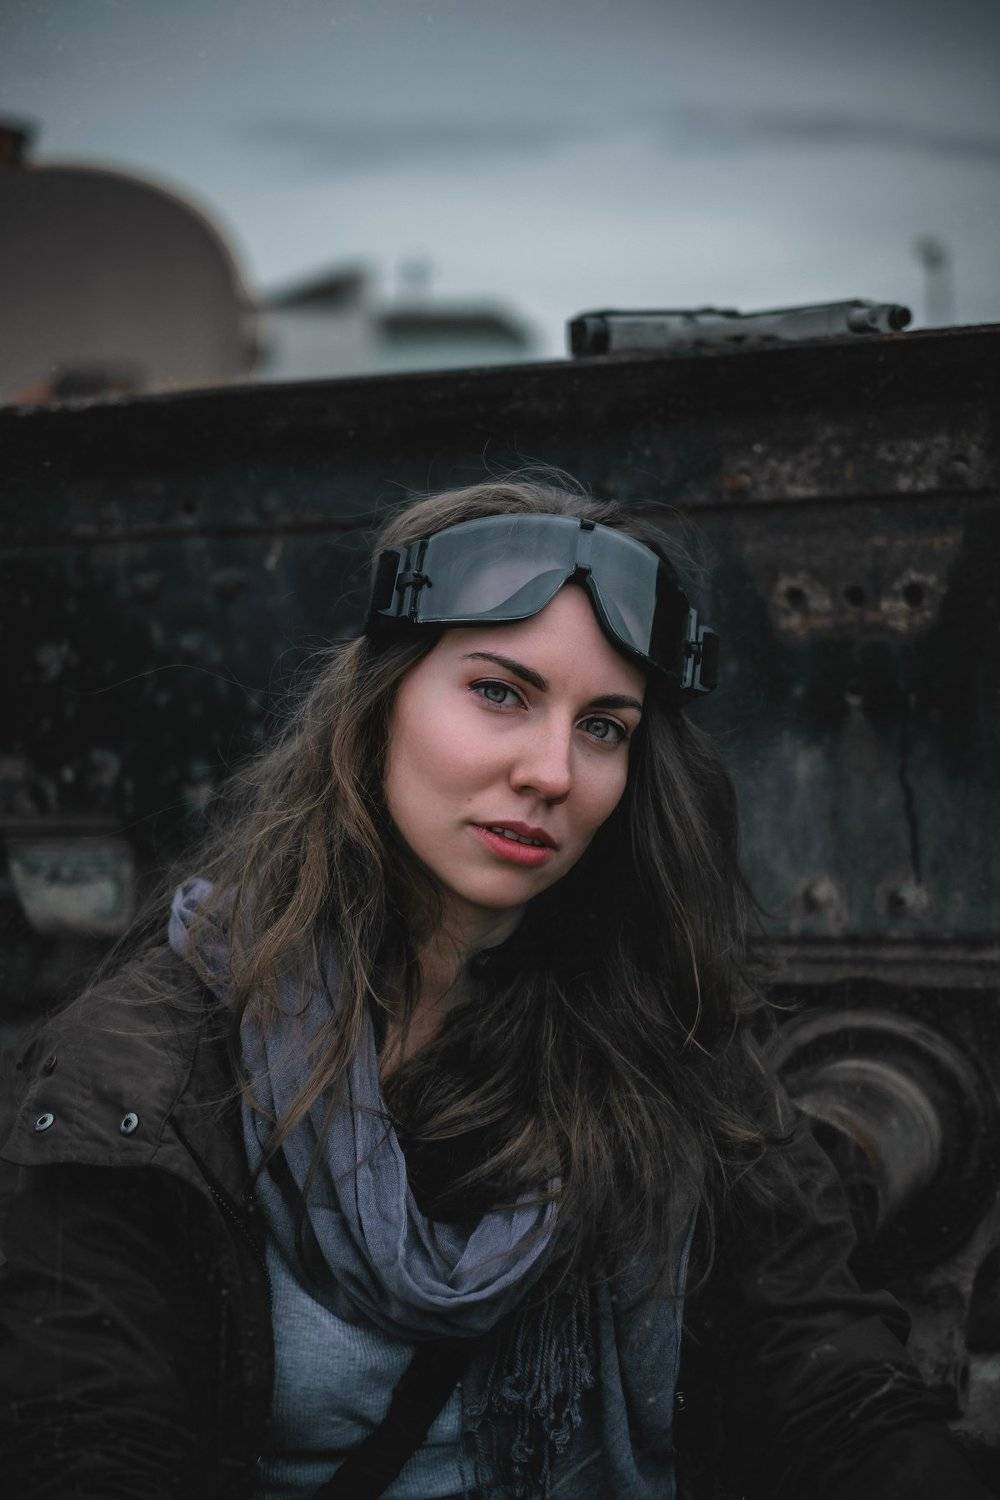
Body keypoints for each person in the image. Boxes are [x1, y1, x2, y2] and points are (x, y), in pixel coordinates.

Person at [0, 477, 992, 1500]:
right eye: (500, 693)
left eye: (603, 727)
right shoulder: (152, 1074)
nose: (552, 771)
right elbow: (87, 1437)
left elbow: (825, 1376)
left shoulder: (664, 1031)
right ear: (381, 701)